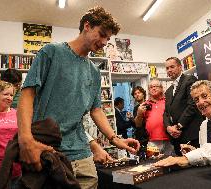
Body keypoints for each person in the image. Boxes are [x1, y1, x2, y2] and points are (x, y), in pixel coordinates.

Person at [17, 6, 140, 189]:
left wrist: (115, 139)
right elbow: (27, 95)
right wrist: (25, 139)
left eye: (108, 38)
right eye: (102, 34)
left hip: (82, 154)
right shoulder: (51, 52)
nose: (105, 42)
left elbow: (96, 110)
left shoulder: (94, 72)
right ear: (87, 26)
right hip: (47, 150)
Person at [155, 80, 211, 167]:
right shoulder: (203, 125)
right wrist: (195, 151)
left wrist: (188, 157)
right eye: (196, 100)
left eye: (204, 96)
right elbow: (210, 156)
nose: (201, 102)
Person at [163, 57, 203, 156]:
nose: (169, 70)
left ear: (180, 67)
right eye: (167, 68)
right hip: (176, 139)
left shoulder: (189, 80)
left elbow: (193, 105)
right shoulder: (168, 91)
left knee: (197, 169)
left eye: (172, 67)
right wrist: (168, 127)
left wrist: (178, 126)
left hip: (191, 136)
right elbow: (166, 113)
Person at [135, 79, 173, 156]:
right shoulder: (144, 105)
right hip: (152, 142)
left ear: (162, 88)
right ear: (148, 90)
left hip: (170, 140)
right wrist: (139, 114)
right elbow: (138, 125)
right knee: (152, 164)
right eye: (151, 87)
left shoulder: (168, 101)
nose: (153, 88)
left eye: (156, 86)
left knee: (171, 164)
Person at [0, 80, 21, 177]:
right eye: (6, 94)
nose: (9, 98)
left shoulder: (17, 114)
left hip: (17, 166)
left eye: (11, 95)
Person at [131, 86, 148, 153]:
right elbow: (136, 125)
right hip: (140, 137)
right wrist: (131, 119)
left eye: (139, 92)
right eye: (135, 94)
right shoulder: (136, 108)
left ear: (143, 94)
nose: (137, 95)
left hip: (148, 137)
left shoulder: (148, 105)